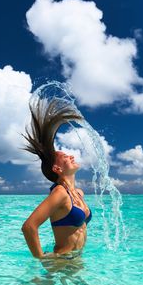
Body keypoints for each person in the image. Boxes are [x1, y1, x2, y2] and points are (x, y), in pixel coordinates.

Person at [21, 98, 92, 260]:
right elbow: (29, 227)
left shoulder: (78, 193)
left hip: (76, 258)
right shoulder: (60, 193)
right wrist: (42, 258)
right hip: (62, 261)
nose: (71, 156)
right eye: (66, 157)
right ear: (57, 169)